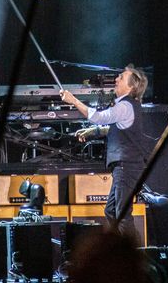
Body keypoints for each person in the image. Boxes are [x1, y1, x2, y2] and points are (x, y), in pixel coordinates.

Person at [60, 64, 148, 238]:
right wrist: (93, 132)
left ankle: (133, 257)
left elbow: (99, 117)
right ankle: (120, 251)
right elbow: (117, 129)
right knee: (111, 211)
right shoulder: (127, 106)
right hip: (124, 167)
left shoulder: (125, 106)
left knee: (121, 214)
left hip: (127, 166)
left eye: (121, 77)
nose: (116, 79)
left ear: (131, 86)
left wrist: (74, 101)